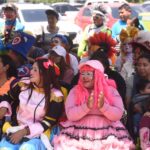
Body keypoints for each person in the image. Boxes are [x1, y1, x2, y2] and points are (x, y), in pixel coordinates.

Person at [53, 60, 135, 149]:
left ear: (98, 75)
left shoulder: (111, 90)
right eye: (83, 74)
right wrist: (86, 106)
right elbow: (70, 115)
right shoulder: (75, 91)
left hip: (108, 132)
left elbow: (118, 114)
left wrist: (103, 106)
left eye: (89, 74)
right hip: (78, 132)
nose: (84, 77)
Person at [0, 58, 64, 150]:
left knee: (27, 148)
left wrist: (24, 132)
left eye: (35, 70)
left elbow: (47, 122)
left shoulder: (56, 96)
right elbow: (8, 96)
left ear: (44, 74)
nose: (31, 72)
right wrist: (3, 108)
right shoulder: (23, 84)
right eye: (32, 68)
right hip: (17, 128)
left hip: (39, 134)